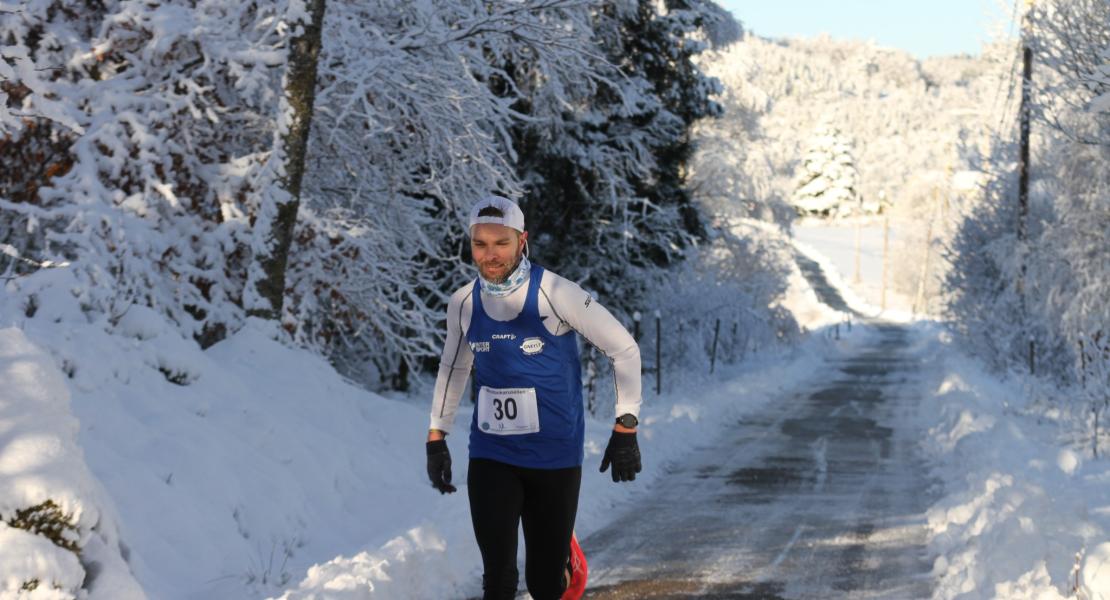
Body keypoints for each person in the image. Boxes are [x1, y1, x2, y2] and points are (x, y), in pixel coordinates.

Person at [425, 195, 643, 600]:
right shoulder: (464, 303)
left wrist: (625, 426)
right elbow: (453, 368)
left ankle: (562, 564)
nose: (490, 255)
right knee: (498, 579)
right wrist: (437, 437)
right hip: (492, 453)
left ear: (522, 240)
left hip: (554, 455)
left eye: (501, 243)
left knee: (544, 583)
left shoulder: (555, 292)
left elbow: (624, 349)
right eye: (480, 244)